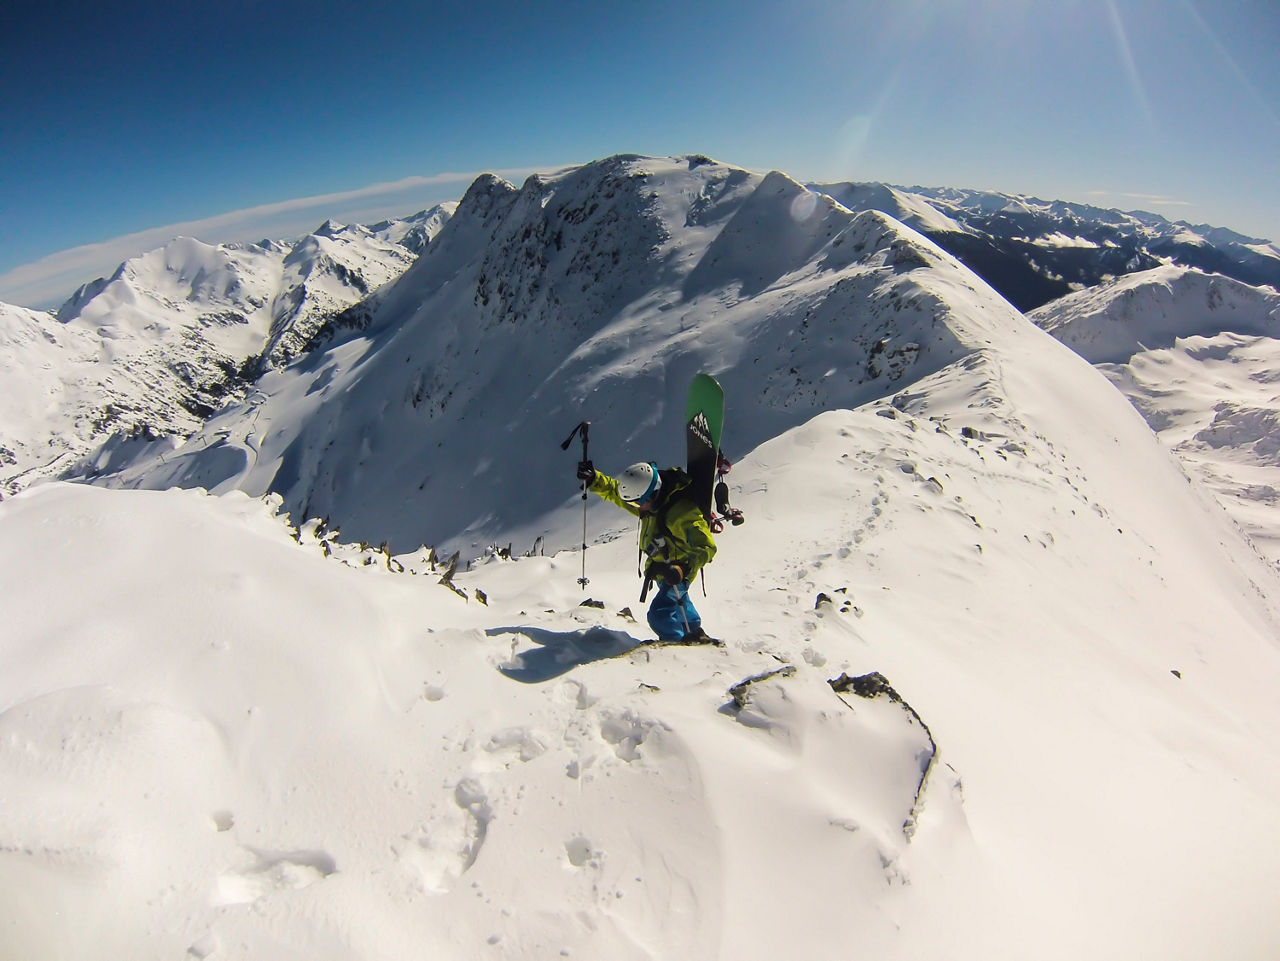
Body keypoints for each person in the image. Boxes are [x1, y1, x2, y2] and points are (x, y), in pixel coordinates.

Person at [576, 459, 716, 642]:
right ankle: (694, 634)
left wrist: (682, 568)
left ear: (653, 494)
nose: (637, 508)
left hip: (678, 572)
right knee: (681, 605)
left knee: (660, 615)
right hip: (662, 569)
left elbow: (706, 547)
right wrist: (594, 479)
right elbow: (616, 492)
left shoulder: (681, 513)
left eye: (637, 503)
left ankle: (676, 646)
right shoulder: (650, 504)